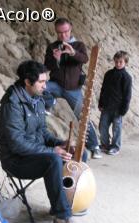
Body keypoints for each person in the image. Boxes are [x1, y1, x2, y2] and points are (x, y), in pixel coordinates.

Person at [0, 60, 76, 223]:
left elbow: (42, 132)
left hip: (33, 154)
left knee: (73, 153)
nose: (45, 86)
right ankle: (62, 215)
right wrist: (51, 151)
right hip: (15, 160)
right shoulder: (11, 105)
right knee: (54, 160)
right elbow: (17, 144)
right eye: (41, 82)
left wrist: (60, 143)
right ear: (27, 82)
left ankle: (61, 205)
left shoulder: (37, 99)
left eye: (45, 81)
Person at [43, 17, 102, 159]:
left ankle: (94, 146)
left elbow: (85, 59)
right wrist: (56, 59)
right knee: (41, 87)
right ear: (56, 32)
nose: (63, 35)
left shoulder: (79, 45)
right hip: (56, 85)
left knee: (83, 117)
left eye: (66, 32)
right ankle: (50, 104)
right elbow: (46, 66)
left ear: (71, 29)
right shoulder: (53, 46)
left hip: (73, 89)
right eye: (59, 33)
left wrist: (72, 53)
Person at [98, 51, 132, 155]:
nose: (118, 64)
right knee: (102, 126)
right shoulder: (108, 74)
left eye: (120, 62)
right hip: (106, 106)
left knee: (116, 129)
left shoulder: (126, 77)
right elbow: (103, 89)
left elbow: (127, 95)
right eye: (116, 61)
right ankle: (105, 144)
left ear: (125, 62)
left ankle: (115, 147)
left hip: (118, 109)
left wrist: (124, 110)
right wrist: (101, 103)